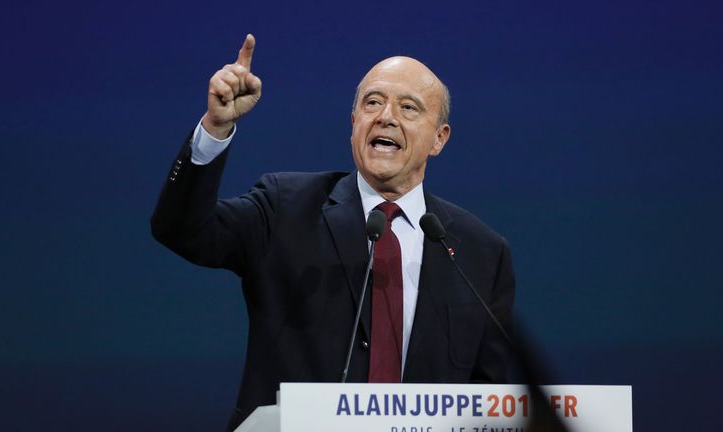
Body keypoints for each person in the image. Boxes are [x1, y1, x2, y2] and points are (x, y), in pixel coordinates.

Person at [151, 34, 515, 431]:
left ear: (439, 138)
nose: (386, 116)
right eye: (372, 103)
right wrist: (215, 129)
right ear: (354, 123)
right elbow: (183, 230)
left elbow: (490, 400)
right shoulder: (285, 207)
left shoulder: (480, 252)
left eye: (408, 107)